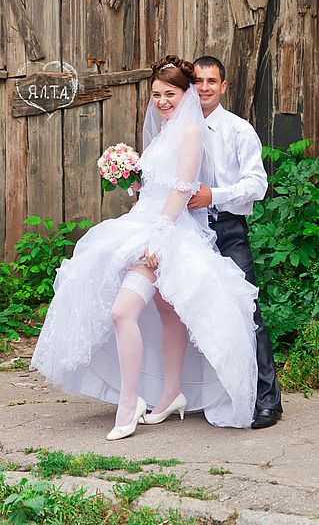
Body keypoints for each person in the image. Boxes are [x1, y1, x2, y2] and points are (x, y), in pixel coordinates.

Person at [31, 55, 259, 440]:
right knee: (168, 312)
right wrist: (134, 186)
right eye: (155, 94)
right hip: (144, 223)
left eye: (170, 93)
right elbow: (156, 185)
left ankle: (130, 400)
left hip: (167, 232)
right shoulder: (163, 133)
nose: (161, 101)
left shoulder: (190, 133)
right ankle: (171, 393)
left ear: (186, 94)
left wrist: (158, 238)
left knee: (123, 312)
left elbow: (182, 189)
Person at [188, 56, 282, 429]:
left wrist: (214, 195)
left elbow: (257, 185)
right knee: (192, 312)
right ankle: (204, 392)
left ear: (224, 86)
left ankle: (267, 400)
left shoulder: (239, 131)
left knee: (247, 312)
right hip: (190, 231)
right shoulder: (179, 129)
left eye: (212, 81)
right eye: (198, 81)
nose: (205, 87)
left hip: (227, 229)